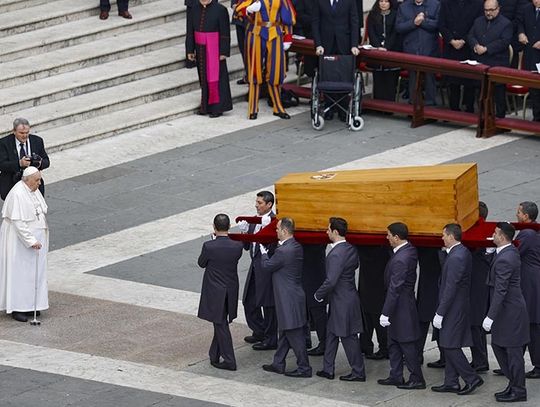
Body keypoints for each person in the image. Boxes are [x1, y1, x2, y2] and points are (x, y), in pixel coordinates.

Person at [431, 224, 484, 395]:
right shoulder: (459, 253)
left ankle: (471, 378)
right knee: (449, 343)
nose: (442, 238)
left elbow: (450, 287)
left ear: (452, 236)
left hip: (454, 308)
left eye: (444, 235)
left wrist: (440, 312)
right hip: (456, 306)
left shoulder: (456, 257)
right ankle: (451, 382)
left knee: (449, 345)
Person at [315, 217, 366, 382]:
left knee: (348, 336)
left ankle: (358, 371)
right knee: (331, 333)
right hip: (346, 298)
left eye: (328, 229)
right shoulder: (350, 248)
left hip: (341, 301)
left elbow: (331, 280)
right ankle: (327, 369)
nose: (326, 232)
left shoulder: (336, 254)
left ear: (335, 232)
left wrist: (318, 295)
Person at [260, 218, 312, 378]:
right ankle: (278, 363)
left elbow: (267, 266)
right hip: (293, 296)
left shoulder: (283, 251)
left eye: (277, 229)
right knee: (284, 332)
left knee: (295, 335)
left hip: (287, 300)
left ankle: (304, 368)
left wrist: (263, 253)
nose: (275, 231)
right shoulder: (295, 246)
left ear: (284, 231)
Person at [483, 222, 529, 403]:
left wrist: (490, 316)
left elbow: (500, 290)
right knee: (499, 346)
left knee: (512, 352)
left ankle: (519, 389)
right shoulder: (505, 253)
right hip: (507, 311)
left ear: (502, 237)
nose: (492, 235)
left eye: (494, 233)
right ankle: (513, 383)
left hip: (510, 313)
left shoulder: (505, 258)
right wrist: (488, 253)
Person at [378, 222, 425, 389]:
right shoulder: (407, 250)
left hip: (401, 308)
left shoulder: (401, 259)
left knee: (406, 344)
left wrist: (385, 312)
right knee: (394, 343)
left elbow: (394, 288)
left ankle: (417, 378)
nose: (387, 238)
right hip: (400, 306)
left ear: (397, 238)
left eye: (389, 235)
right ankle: (396, 375)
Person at [0, 167, 49, 323]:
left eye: (39, 179)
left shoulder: (33, 190)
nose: (39, 183)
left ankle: (32, 305)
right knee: (20, 274)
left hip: (35, 242)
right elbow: (18, 222)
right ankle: (18, 307)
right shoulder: (17, 194)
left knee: (34, 274)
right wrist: (31, 240)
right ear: (26, 180)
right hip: (19, 243)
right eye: (37, 180)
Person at [197, 214, 244, 371]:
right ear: (229, 226)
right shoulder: (237, 246)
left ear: (214, 227)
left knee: (220, 324)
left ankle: (230, 360)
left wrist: (213, 241)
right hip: (230, 289)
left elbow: (201, 263)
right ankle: (214, 355)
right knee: (220, 320)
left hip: (214, 290)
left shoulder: (209, 246)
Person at [234, 0, 295, 120]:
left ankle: (278, 107)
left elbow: (288, 16)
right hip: (256, 32)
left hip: (275, 33)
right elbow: (238, 12)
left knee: (275, 72)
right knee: (254, 71)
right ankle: (253, 108)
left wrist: (288, 36)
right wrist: (248, 9)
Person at [239, 191, 278, 350]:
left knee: (268, 304)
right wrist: (244, 232)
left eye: (260, 203)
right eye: (256, 202)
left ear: (269, 204)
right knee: (249, 300)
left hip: (267, 268)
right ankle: (259, 330)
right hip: (255, 266)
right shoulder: (254, 221)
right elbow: (247, 246)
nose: (256, 205)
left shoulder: (275, 222)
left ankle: (270, 338)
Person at [312, 0, 360, 121]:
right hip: (326, 44)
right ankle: (329, 107)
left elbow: (354, 22)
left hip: (344, 42)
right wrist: (318, 44)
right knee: (328, 75)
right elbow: (315, 22)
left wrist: (354, 45)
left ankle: (343, 108)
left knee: (343, 74)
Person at [186, 0, 233, 118]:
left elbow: (225, 32)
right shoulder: (194, 9)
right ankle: (205, 106)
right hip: (200, 47)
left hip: (215, 48)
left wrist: (224, 51)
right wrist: (190, 49)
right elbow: (190, 31)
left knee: (217, 78)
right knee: (203, 78)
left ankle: (217, 108)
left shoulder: (220, 10)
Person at [467, 0, 513, 118]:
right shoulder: (478, 21)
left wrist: (487, 48)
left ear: (498, 9)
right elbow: (471, 35)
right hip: (480, 62)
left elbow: (504, 42)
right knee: (480, 91)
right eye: (486, 10)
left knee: (498, 94)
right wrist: (475, 45)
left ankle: (499, 118)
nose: (488, 13)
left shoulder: (506, 23)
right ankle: (483, 115)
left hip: (497, 63)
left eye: (491, 10)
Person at [438, 0, 483, 112]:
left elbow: (477, 25)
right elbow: (441, 24)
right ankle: (453, 108)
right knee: (452, 81)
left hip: (468, 47)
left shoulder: (477, 3)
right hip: (451, 47)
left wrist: (464, 40)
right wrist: (451, 40)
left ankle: (469, 108)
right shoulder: (446, 3)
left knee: (469, 81)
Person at [395, 0, 440, 106]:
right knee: (413, 79)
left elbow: (438, 24)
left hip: (429, 49)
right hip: (411, 49)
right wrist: (413, 22)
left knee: (430, 77)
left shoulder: (436, 5)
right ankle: (413, 104)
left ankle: (430, 105)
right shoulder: (403, 7)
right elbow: (399, 27)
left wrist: (422, 21)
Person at [515, 201, 540, 379]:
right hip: (532, 283)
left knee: (531, 326)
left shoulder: (527, 234)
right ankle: (513, 361)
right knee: (525, 324)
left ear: (526, 216)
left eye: (519, 212)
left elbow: (514, 253)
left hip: (530, 285)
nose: (516, 214)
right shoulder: (533, 232)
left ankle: (538, 365)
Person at [0, 118, 50, 201]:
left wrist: (39, 163)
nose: (25, 135)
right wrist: (19, 163)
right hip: (12, 183)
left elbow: (47, 162)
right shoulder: (4, 143)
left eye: (27, 132)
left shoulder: (37, 141)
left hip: (33, 184)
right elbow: (1, 165)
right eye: (21, 133)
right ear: (14, 131)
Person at [469, 201, 492, 372]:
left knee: (476, 324)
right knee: (476, 325)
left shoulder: (478, 233)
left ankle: (480, 361)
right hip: (481, 285)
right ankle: (480, 359)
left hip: (477, 286)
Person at [358, 245, 390, 360]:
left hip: (369, 287)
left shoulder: (362, 249)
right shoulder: (385, 250)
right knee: (373, 318)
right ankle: (380, 347)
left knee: (369, 318)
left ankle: (368, 346)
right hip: (377, 288)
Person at [367, 0, 402, 101]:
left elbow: (395, 33)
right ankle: (378, 104)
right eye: (381, 1)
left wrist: (386, 46)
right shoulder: (372, 14)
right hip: (376, 51)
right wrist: (378, 46)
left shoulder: (396, 15)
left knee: (390, 80)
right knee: (378, 79)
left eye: (386, 1)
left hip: (392, 50)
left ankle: (389, 105)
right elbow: (371, 32)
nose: (383, 4)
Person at [302, 244, 328, 356]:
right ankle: (306, 339)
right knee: (307, 313)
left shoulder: (316, 242)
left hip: (315, 279)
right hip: (308, 278)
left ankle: (324, 343)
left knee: (319, 315)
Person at [517, 0, 540, 121]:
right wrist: (521, 33)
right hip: (531, 53)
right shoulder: (526, 9)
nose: (536, 1)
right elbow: (520, 23)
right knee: (534, 88)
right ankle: (537, 118)